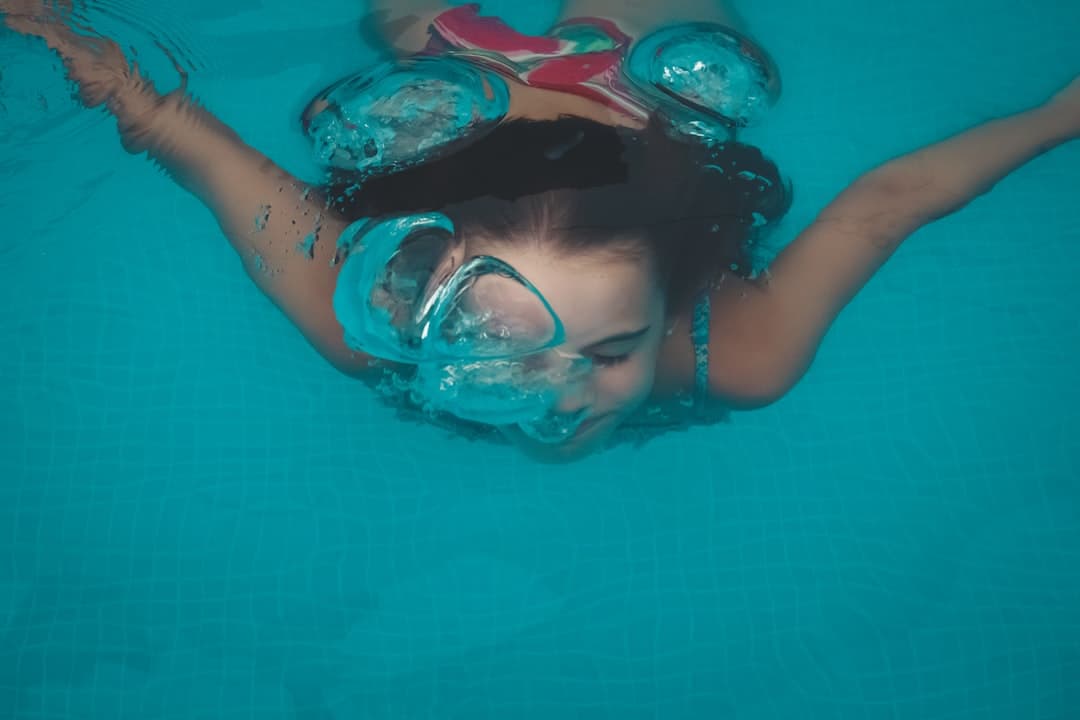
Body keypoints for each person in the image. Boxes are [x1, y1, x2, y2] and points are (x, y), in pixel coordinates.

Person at [3, 1, 1077, 463]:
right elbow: (884, 198)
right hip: (512, 104)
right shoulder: (385, 315)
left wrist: (1058, 113)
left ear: (675, 304)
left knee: (410, 43)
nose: (567, 391)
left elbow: (186, 140)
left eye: (613, 349)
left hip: (593, 89)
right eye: (515, 343)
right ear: (428, 291)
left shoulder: (736, 345)